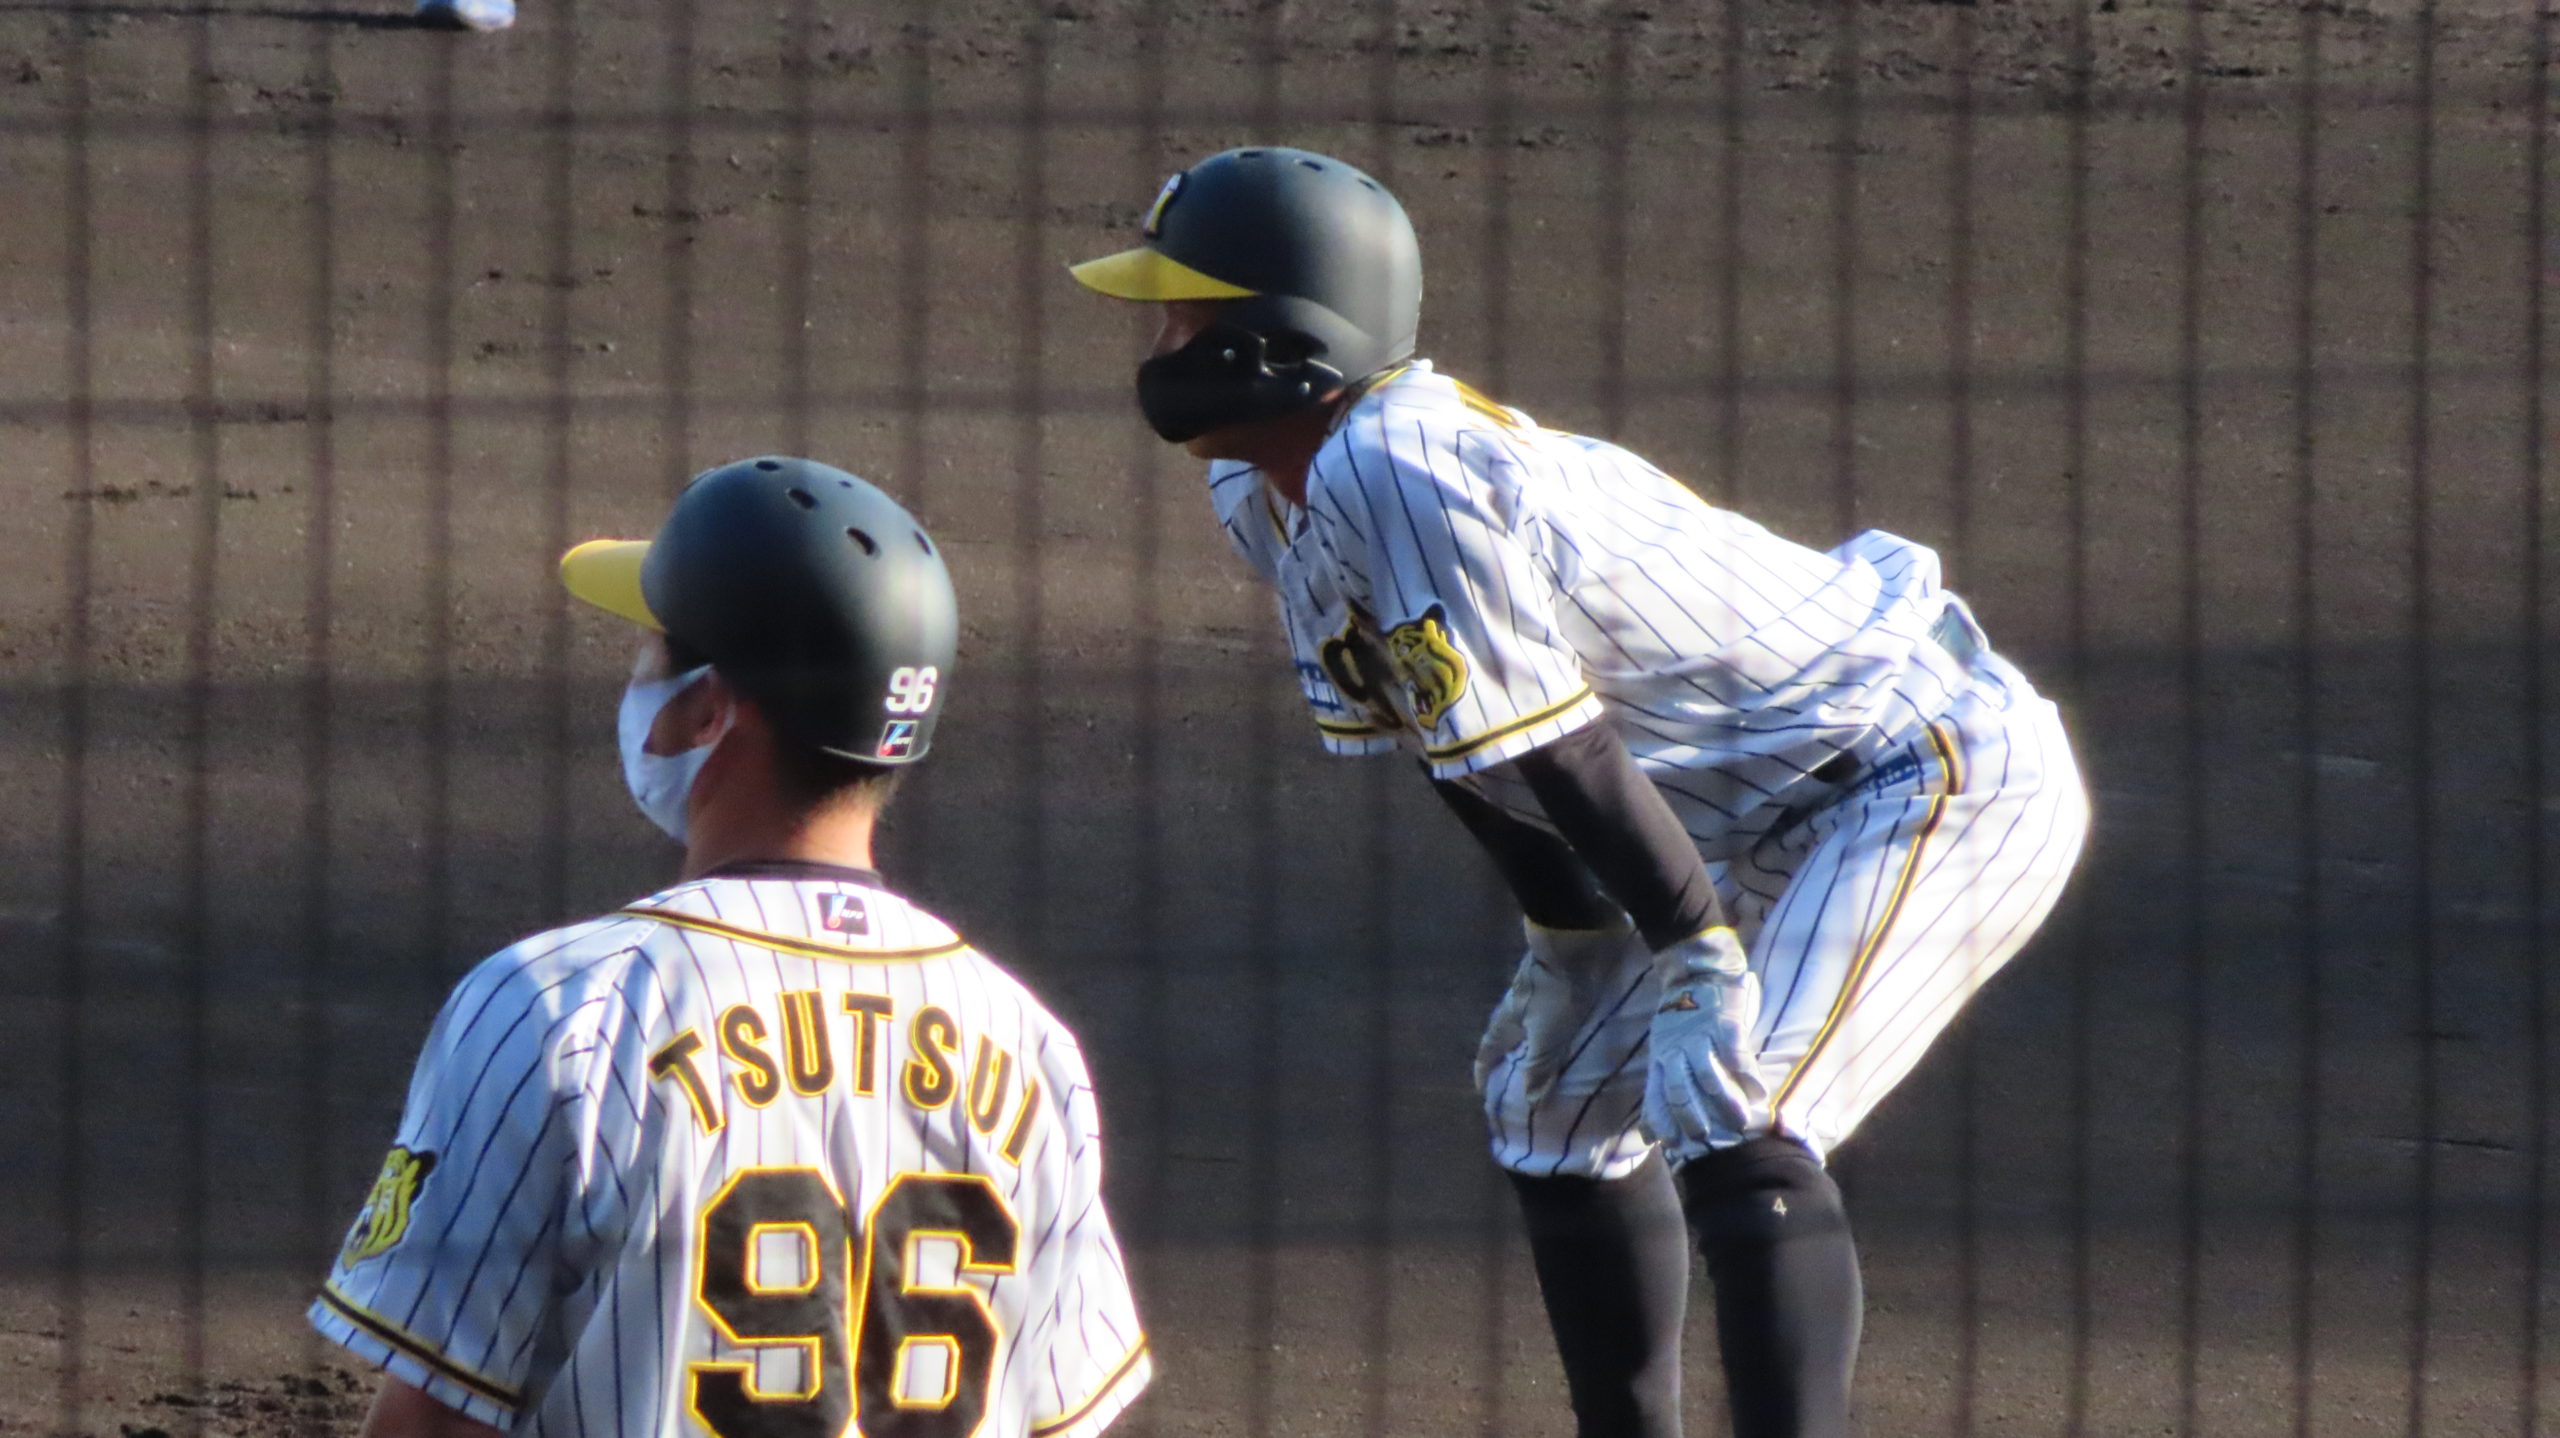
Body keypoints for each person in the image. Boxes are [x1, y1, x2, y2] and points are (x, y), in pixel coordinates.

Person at [1070, 148, 2088, 1438]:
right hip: (1720, 814)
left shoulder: (1396, 464)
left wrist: (1693, 951)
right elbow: (1464, 738)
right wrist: (1569, 935)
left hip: (1919, 770)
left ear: (1277, 342)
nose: (1158, 345)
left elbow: (1566, 752)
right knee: (1548, 1102)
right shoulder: (1269, 495)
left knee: (1737, 1099)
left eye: (1183, 316)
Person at [310, 457, 1151, 1438]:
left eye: (653, 655)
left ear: (710, 707)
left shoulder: (559, 1009)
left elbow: (432, 1423)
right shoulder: (1029, 1046)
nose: (637, 680)